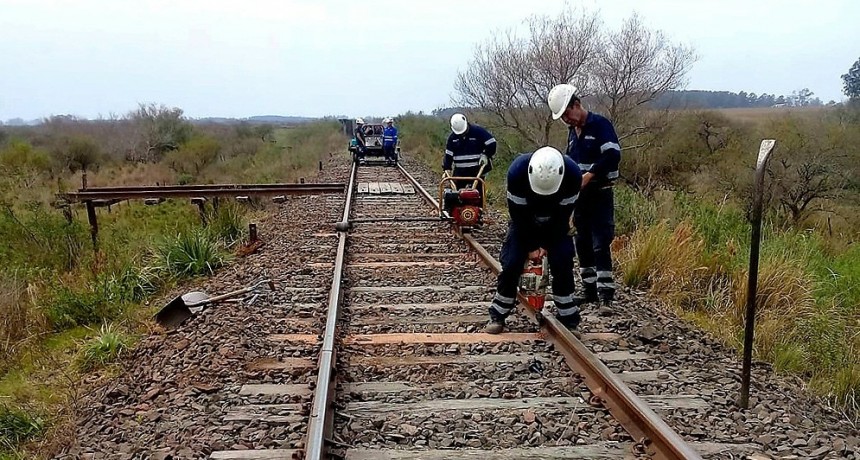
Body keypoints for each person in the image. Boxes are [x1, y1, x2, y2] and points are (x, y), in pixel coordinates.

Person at [485, 146, 583, 334]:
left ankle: (568, 318)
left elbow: (563, 216)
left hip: (556, 223)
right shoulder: (517, 172)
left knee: (562, 261)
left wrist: (546, 245)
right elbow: (518, 216)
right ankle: (498, 314)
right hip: (524, 222)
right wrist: (531, 246)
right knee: (512, 262)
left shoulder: (573, 175)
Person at [548, 83, 621, 307]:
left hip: (600, 192)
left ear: (577, 105)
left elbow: (613, 155)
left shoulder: (600, 125)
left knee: (600, 242)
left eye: (567, 114)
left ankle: (606, 295)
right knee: (582, 242)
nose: (566, 120)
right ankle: (589, 291)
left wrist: (590, 175)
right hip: (580, 197)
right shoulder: (573, 133)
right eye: (562, 117)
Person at [443, 113, 496, 194]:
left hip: (477, 171)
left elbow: (492, 143)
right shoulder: (452, 138)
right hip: (460, 173)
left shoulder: (478, 132)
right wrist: (447, 168)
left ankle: (479, 206)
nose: (462, 134)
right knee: (455, 195)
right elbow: (448, 155)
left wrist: (486, 155)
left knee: (477, 195)